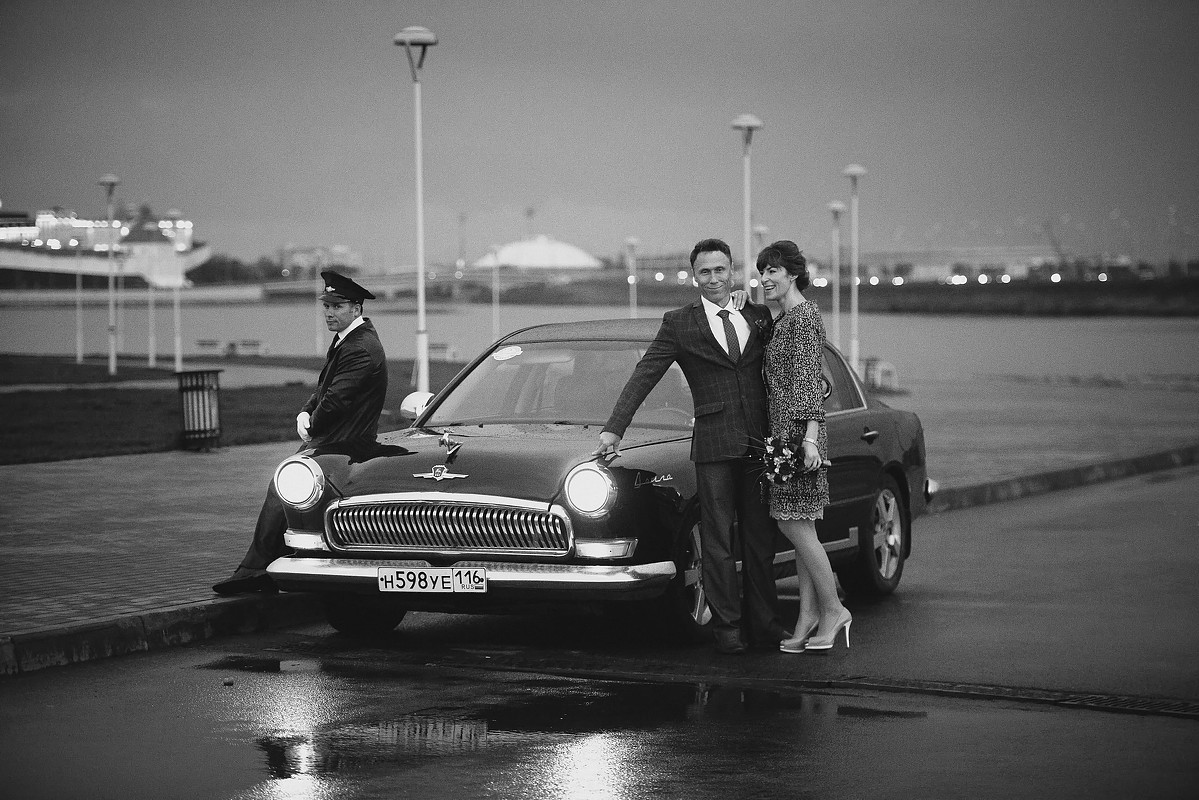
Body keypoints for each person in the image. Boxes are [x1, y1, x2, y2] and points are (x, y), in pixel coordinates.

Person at [594, 238, 787, 654]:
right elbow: (645, 374)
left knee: (759, 540)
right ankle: (728, 630)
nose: (714, 279)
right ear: (694, 277)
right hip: (714, 444)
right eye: (705, 272)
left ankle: (766, 627)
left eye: (720, 270)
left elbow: (786, 356)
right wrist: (614, 429)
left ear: (732, 271)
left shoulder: (756, 315)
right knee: (717, 542)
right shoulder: (680, 323)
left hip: (761, 443)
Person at [212, 270, 389, 595]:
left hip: (343, 442)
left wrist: (312, 425)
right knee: (291, 493)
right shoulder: (350, 340)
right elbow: (325, 388)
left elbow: (336, 399)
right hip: (336, 437)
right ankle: (270, 566)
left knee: (283, 490)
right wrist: (306, 411)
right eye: (326, 306)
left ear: (356, 308)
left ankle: (257, 571)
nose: (329, 313)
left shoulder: (360, 347)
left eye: (337, 306)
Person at [756, 240, 852, 652]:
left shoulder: (804, 318)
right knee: (802, 528)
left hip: (799, 437)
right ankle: (808, 616)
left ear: (793, 274)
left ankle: (833, 609)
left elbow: (811, 380)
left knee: (791, 524)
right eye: (762, 271)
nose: (765, 278)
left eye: (773, 271)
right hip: (785, 434)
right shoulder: (784, 318)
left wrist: (810, 439)